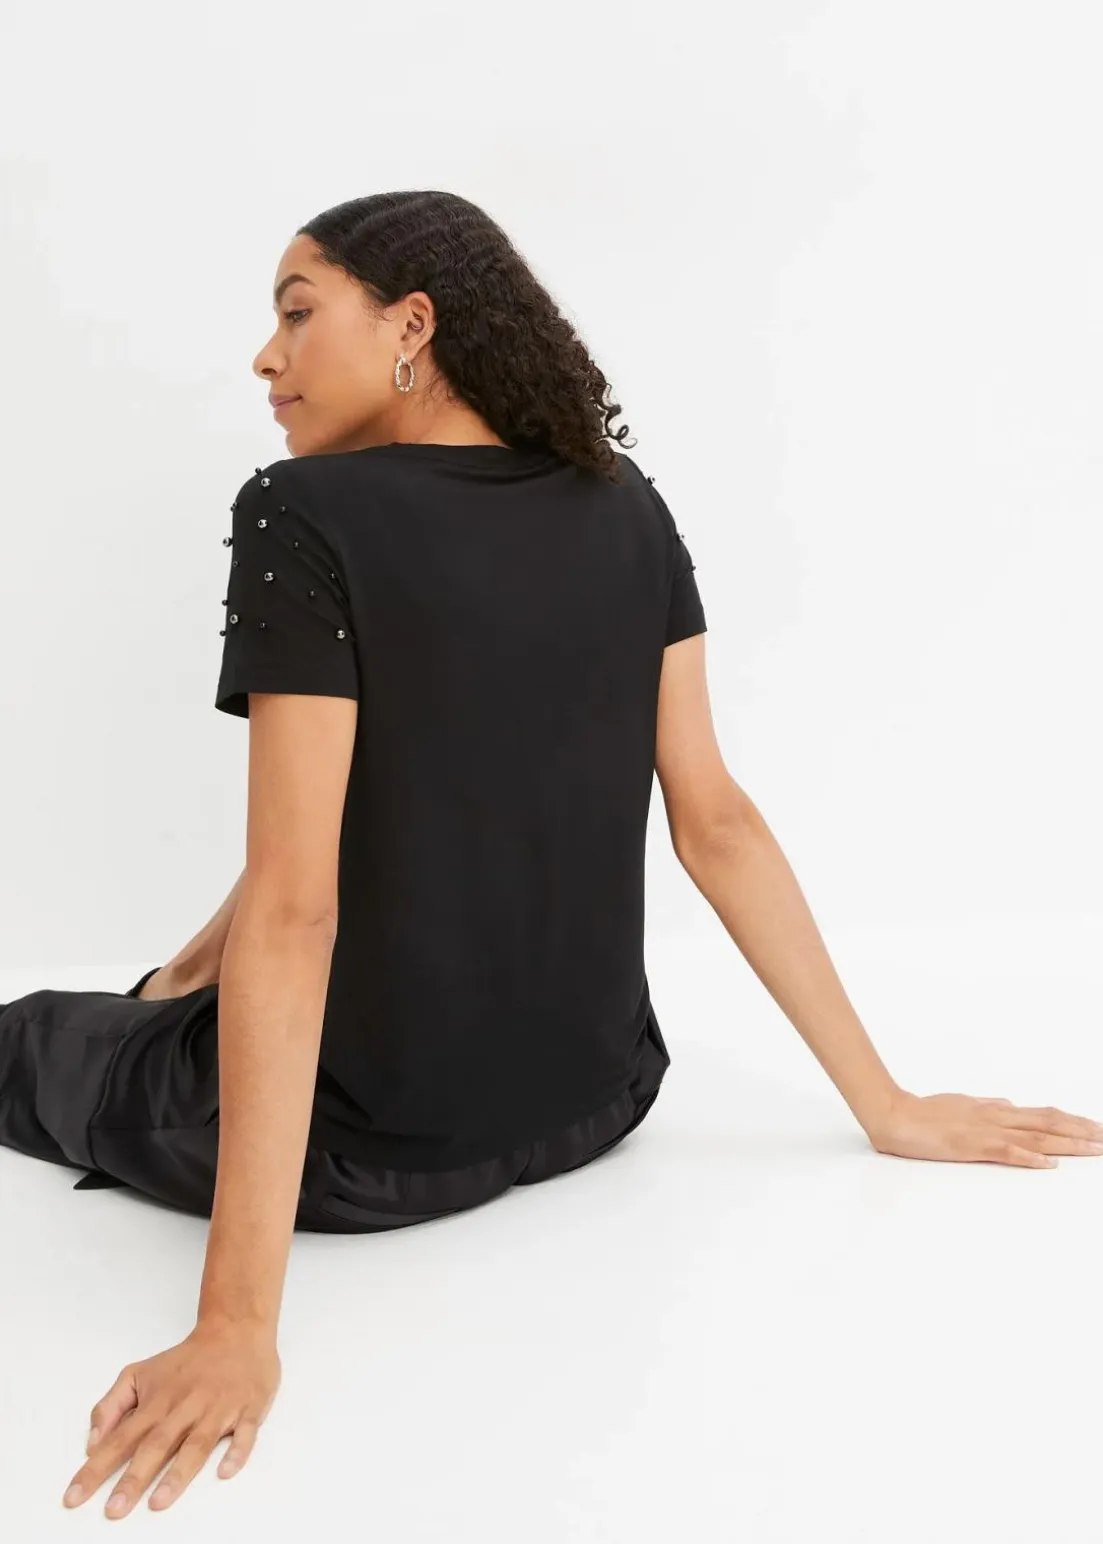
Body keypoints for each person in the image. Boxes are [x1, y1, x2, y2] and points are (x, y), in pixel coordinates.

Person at [1, 189, 1099, 1521]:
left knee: (23, 1038)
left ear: (411, 325)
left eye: (296, 314)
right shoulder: (623, 505)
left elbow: (296, 911)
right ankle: (164, 997)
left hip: (365, 1150)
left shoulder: (304, 512)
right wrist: (886, 1104)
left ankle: (137, 1026)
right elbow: (713, 819)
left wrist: (235, 1325)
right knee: (163, 997)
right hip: (600, 1099)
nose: (265, 356)